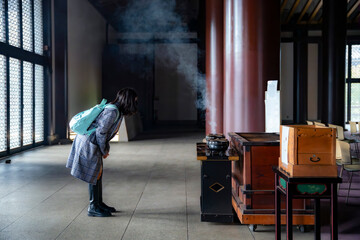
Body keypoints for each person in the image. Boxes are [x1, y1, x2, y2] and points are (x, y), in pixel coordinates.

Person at [66, 88, 138, 217]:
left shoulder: (115, 110)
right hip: (89, 143)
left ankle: (98, 203)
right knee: (94, 174)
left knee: (97, 173)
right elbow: (101, 132)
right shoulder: (112, 111)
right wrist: (103, 150)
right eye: (134, 101)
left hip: (91, 141)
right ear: (128, 101)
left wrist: (104, 149)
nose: (135, 104)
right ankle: (93, 206)